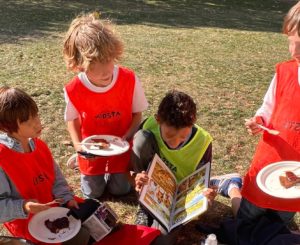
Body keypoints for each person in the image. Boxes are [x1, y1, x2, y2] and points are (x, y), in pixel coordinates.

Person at [131, 90, 242, 244]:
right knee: (140, 139)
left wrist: (206, 197)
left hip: (180, 196)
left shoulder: (202, 141)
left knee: (160, 241)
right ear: (158, 120)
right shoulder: (150, 124)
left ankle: (223, 182)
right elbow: (134, 162)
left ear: (193, 124)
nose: (175, 143)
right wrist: (136, 176)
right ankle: (143, 207)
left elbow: (201, 180)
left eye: (182, 137)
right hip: (154, 185)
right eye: (169, 136)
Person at [62, 12, 148, 199]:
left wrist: (127, 137)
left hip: (121, 146)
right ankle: (80, 163)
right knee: (93, 193)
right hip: (92, 150)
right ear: (79, 65)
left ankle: (113, 171)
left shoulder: (129, 80)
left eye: (108, 60)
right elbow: (72, 120)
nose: (106, 70)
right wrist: (78, 146)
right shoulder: (74, 88)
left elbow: (137, 115)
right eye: (95, 66)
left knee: (121, 190)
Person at [240, 2, 300, 244]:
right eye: (291, 41)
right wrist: (259, 120)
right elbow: (267, 106)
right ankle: (232, 188)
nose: (293, 51)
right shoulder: (284, 72)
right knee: (248, 215)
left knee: (279, 222)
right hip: (268, 163)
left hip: (296, 173)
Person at [0, 86, 79, 244]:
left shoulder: (39, 146)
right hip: (25, 222)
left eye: (36, 116)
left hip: (53, 210)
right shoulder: (2, 158)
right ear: (7, 127)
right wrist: (24, 207)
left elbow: (56, 178)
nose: (37, 123)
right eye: (28, 121)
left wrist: (66, 198)